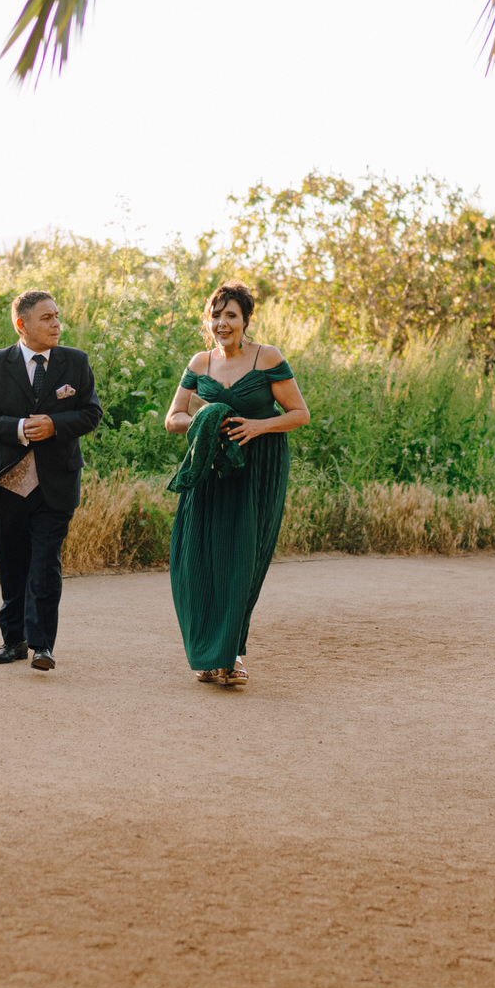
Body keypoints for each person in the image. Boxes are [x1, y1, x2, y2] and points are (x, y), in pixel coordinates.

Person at [162, 282, 310, 687]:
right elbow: (173, 419)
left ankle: (231, 654)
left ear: (246, 320)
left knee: (243, 560)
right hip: (209, 467)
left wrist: (259, 426)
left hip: (258, 468)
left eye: (231, 315)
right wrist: (204, 420)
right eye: (216, 315)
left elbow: (299, 414)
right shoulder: (200, 362)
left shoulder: (268, 357)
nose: (222, 323)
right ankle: (207, 655)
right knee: (197, 558)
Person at [0, 291, 104, 671]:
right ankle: (14, 641)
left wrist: (55, 425)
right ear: (21, 324)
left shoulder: (75, 362)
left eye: (57, 316)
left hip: (56, 484)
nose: (57, 324)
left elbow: (91, 413)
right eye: (46, 318)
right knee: (11, 566)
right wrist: (19, 429)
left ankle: (43, 646)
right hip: (6, 483)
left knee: (45, 566)